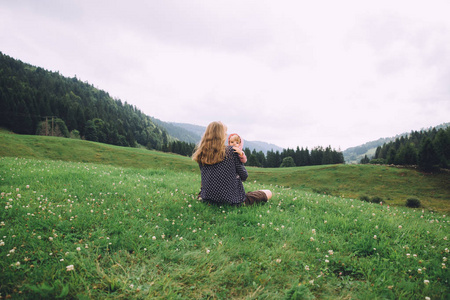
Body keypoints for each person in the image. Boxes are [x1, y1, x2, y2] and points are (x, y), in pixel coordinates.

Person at [192, 121, 272, 206]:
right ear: (221, 136)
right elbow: (244, 176)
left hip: (207, 198)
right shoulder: (231, 151)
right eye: (225, 133)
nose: (226, 135)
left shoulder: (201, 153)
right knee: (268, 192)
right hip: (233, 201)